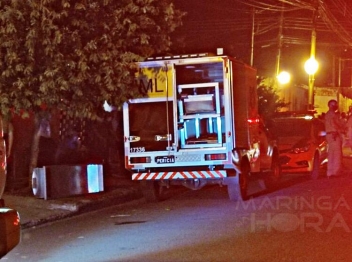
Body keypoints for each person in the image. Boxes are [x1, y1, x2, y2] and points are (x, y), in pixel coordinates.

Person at [324, 99, 345, 178]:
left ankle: (330, 172)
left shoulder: (328, 114)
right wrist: (341, 130)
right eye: (334, 105)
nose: (335, 106)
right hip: (334, 135)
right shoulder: (332, 115)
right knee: (336, 154)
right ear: (329, 105)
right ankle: (335, 172)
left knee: (331, 154)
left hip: (330, 135)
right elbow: (336, 125)